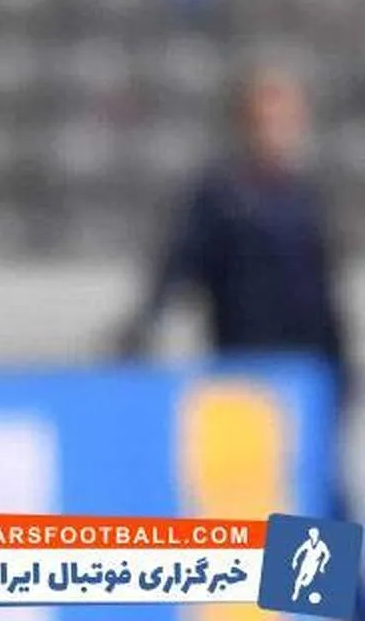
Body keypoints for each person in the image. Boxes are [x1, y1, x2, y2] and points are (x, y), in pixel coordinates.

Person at [119, 66, 350, 400]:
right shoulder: (220, 196)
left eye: (285, 122)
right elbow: (180, 264)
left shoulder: (307, 199)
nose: (276, 133)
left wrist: (339, 367)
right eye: (266, 122)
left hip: (304, 368)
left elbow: (323, 295)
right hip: (241, 367)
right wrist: (147, 322)